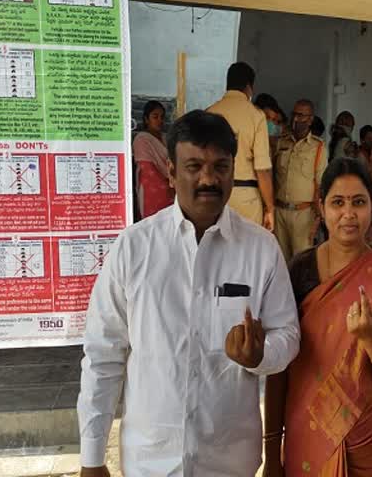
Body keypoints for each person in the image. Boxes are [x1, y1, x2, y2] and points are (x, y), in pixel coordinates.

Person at [78, 110, 301, 477]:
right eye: (194, 166)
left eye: (220, 167)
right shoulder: (133, 248)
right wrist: (91, 457)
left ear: (234, 170)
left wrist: (261, 355)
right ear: (170, 171)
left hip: (230, 461)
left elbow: (287, 335)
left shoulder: (261, 249)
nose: (208, 179)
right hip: (150, 461)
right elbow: (103, 355)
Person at [263, 158, 372, 477]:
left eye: (359, 202)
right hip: (309, 443)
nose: (348, 214)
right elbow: (279, 370)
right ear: (321, 207)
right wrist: (272, 453)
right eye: (337, 203)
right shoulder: (298, 272)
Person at [207, 62, 275, 231]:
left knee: (215, 250)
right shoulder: (256, 116)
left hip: (214, 194)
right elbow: (262, 170)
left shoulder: (209, 113)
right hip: (246, 198)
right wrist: (270, 208)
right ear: (248, 87)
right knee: (247, 252)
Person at [273, 99, 328, 261]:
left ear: (310, 119)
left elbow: (320, 184)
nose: (296, 119)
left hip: (304, 214)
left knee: (301, 262)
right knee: (279, 261)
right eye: (294, 114)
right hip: (280, 211)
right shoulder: (281, 142)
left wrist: (318, 218)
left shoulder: (318, 147)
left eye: (302, 116)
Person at [132, 100, 174, 219]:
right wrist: (168, 187)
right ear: (146, 119)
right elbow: (148, 169)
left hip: (171, 188)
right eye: (155, 116)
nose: (160, 120)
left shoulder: (166, 139)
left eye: (162, 117)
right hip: (152, 189)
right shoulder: (142, 139)